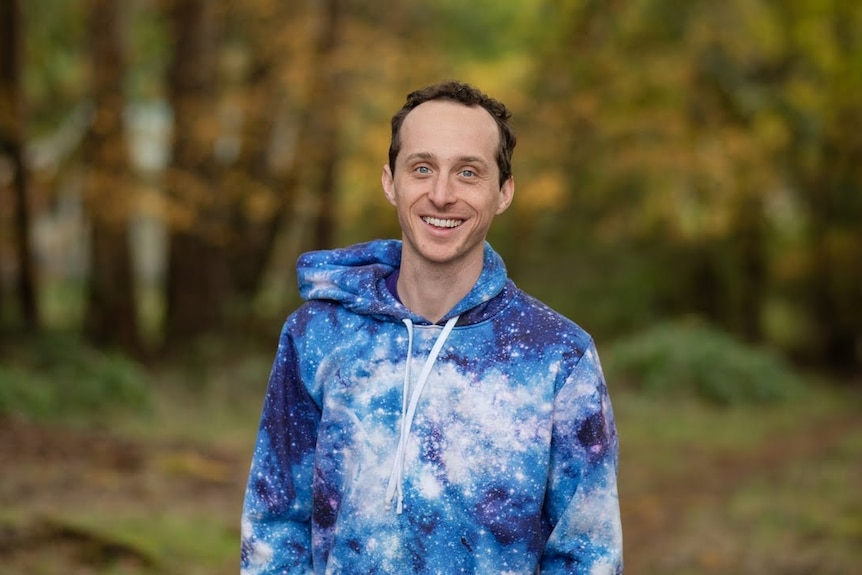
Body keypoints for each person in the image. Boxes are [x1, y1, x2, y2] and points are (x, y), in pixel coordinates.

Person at [240, 81, 623, 574]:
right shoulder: (317, 335)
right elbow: (274, 524)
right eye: (422, 168)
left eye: (468, 172)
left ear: (503, 192)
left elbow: (587, 552)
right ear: (389, 181)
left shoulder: (557, 355)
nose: (441, 195)